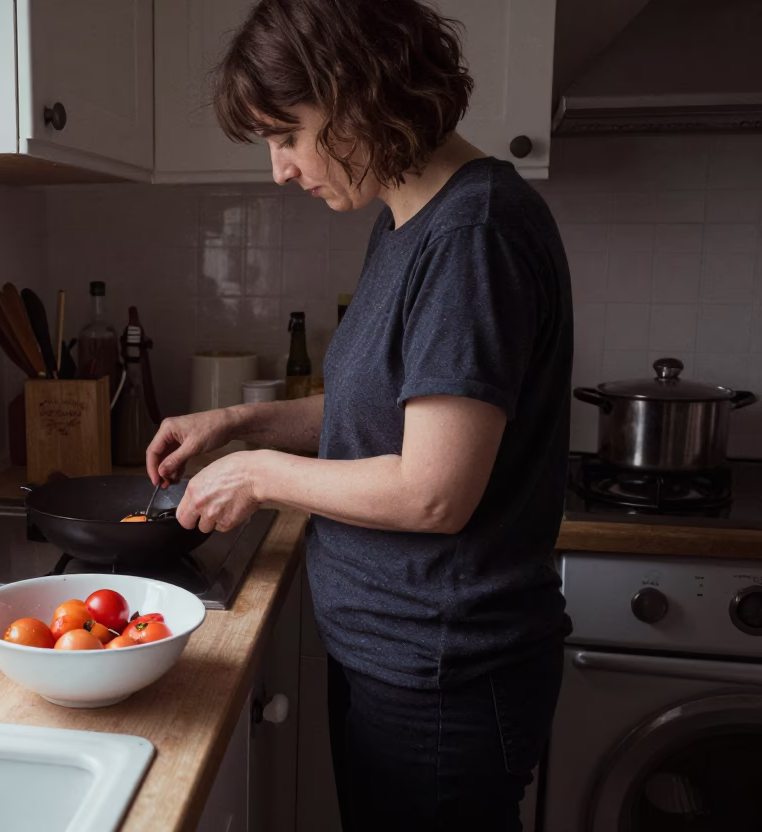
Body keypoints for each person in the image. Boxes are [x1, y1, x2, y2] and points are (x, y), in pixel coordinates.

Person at [143, 0, 573, 829]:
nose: (279, 169)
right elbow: (378, 413)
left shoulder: (472, 234)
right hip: (399, 656)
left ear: (360, 94)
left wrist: (259, 475)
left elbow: (432, 491)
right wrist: (235, 424)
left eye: (287, 136)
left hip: (445, 672)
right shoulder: (406, 221)